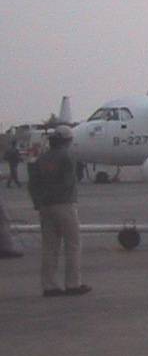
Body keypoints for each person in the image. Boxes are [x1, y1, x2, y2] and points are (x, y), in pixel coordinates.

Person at [29, 126, 89, 297]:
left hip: (45, 206)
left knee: (49, 246)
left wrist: (38, 202)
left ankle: (49, 286)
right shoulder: (68, 156)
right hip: (64, 203)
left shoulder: (42, 158)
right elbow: (70, 180)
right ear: (67, 140)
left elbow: (33, 183)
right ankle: (73, 284)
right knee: (73, 244)